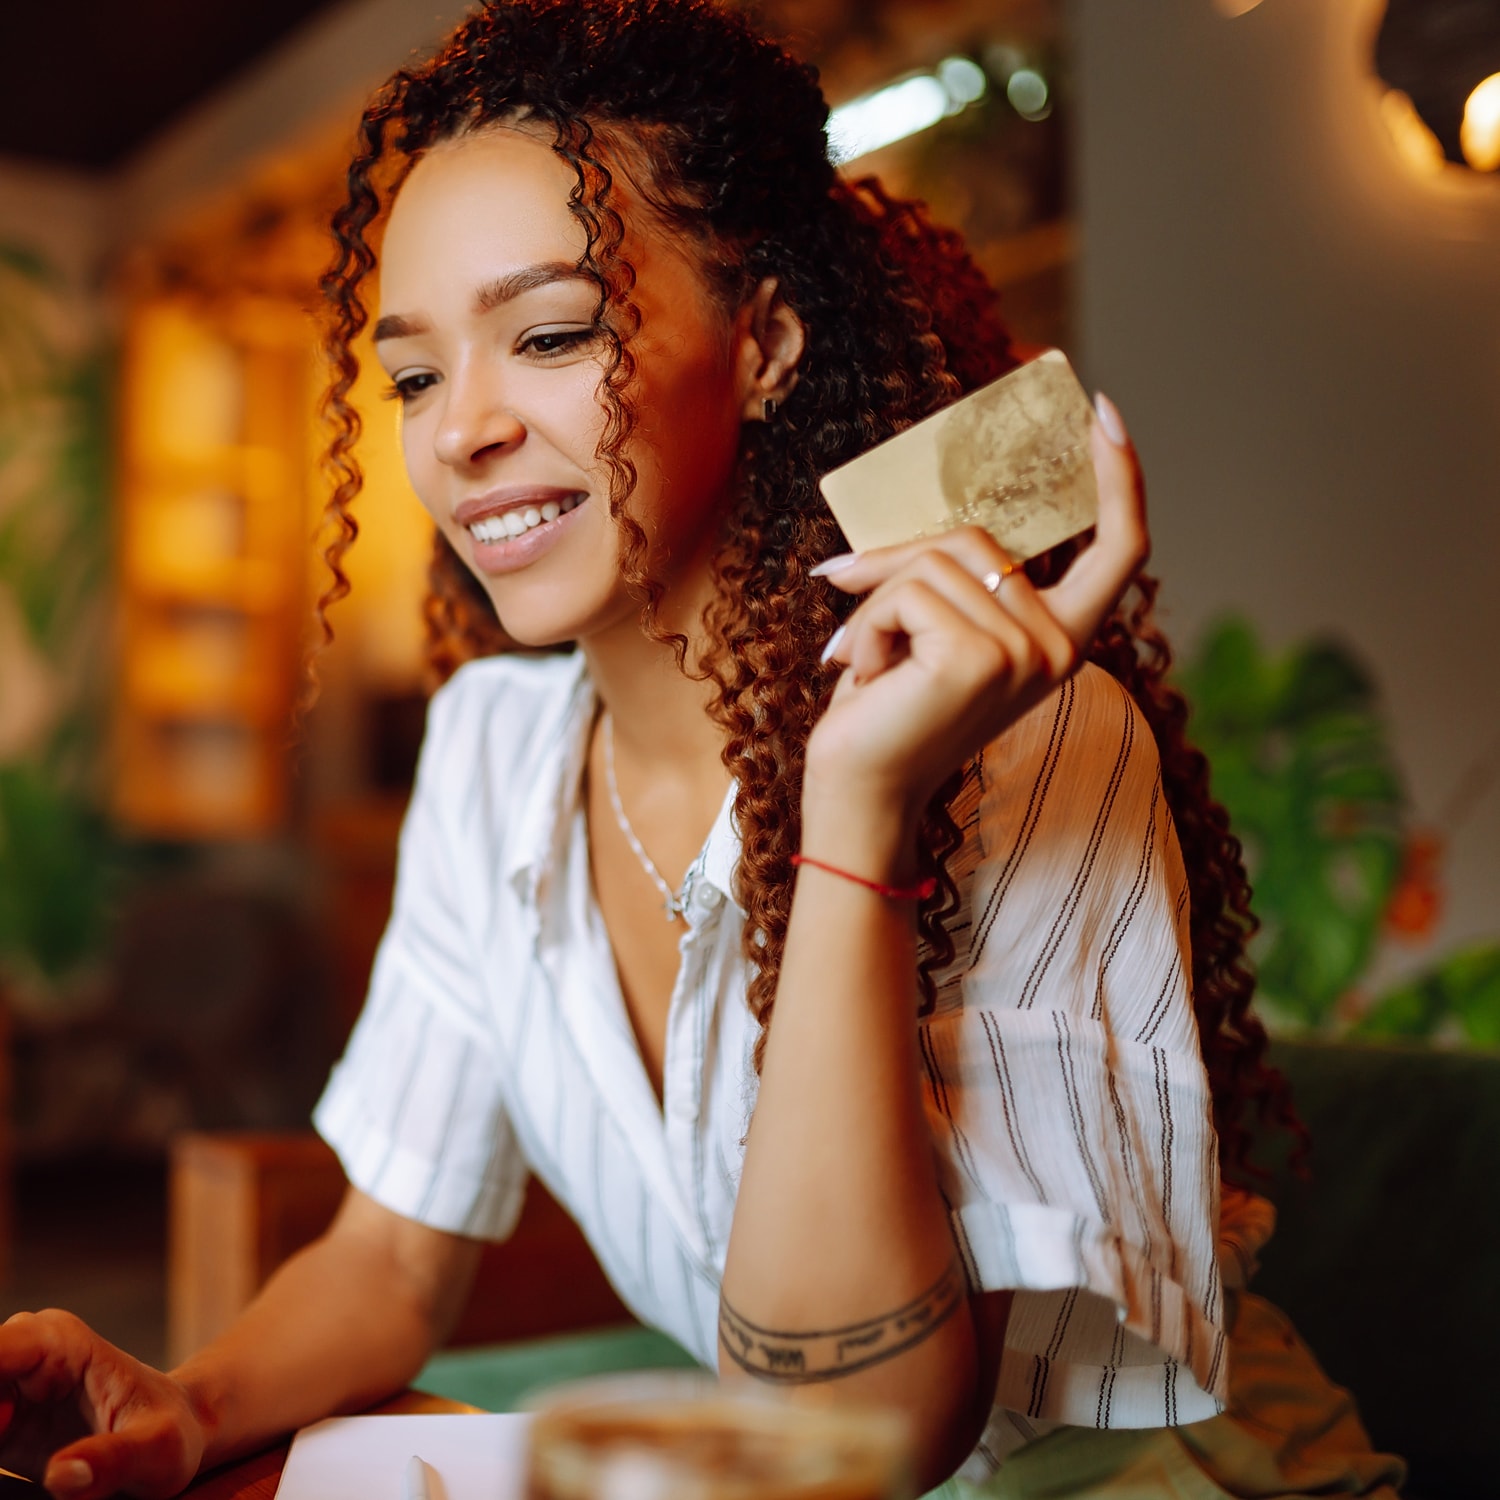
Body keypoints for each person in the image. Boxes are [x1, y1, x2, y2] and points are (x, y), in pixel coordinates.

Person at [0, 2, 1405, 1497]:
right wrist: (189, 1407)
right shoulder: (490, 754)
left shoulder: (1029, 744)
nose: (458, 429)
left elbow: (864, 1436)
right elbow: (395, 1254)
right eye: (413, 374)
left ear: (766, 345)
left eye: (548, 335)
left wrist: (860, 818)